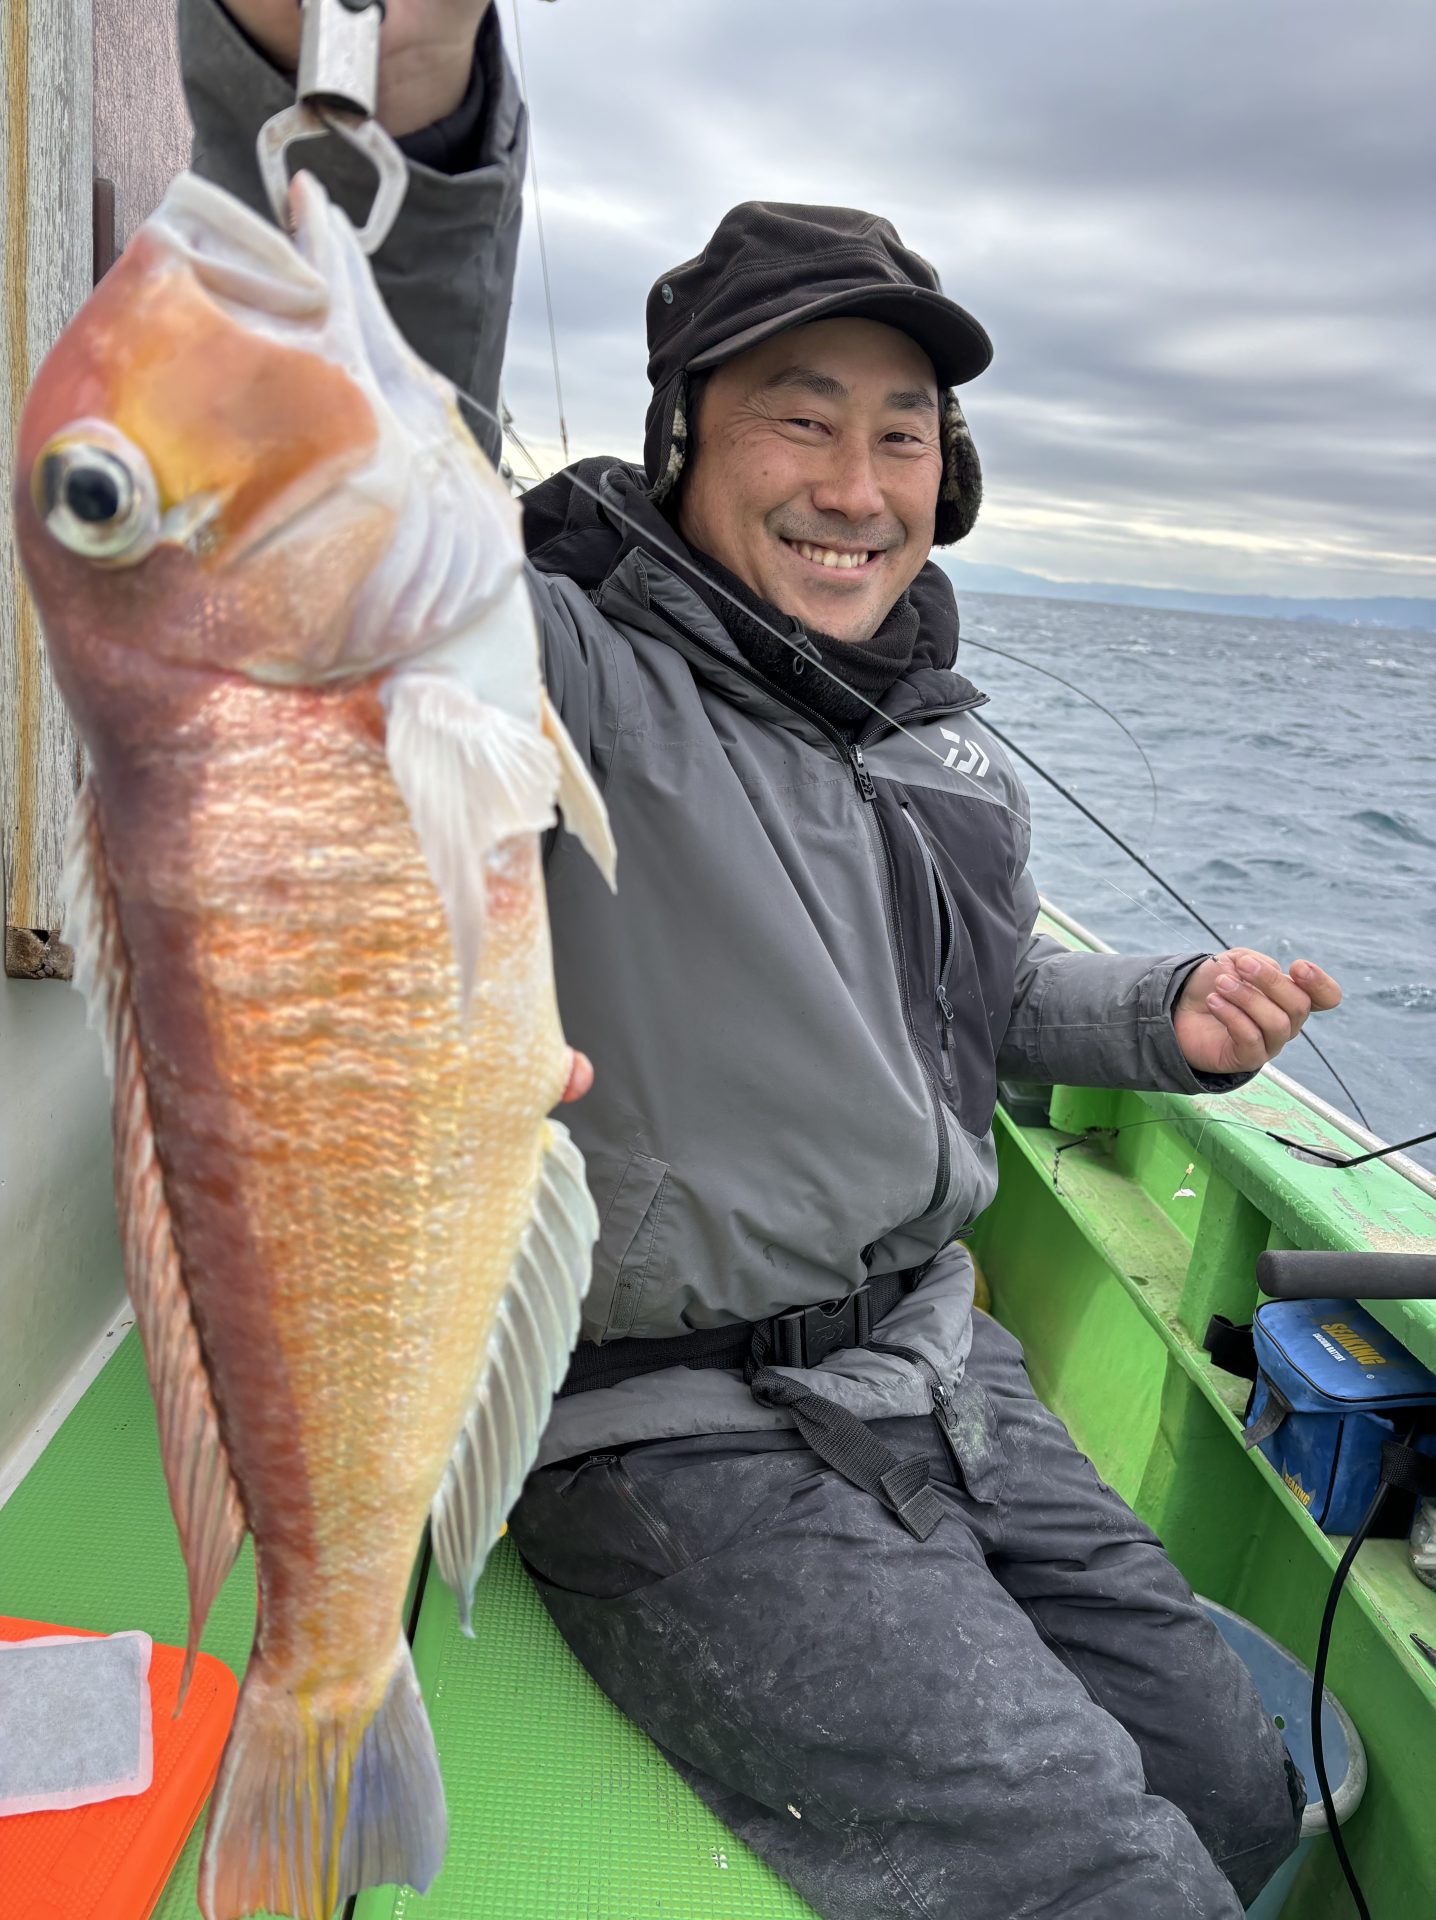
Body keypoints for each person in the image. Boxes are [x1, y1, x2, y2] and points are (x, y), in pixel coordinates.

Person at [182, 3, 1341, 1912]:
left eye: (903, 434)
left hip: (943, 1368)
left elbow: (960, 1005)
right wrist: (413, 116)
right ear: (681, 444)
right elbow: (357, 460)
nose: (857, 484)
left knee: (1239, 1791)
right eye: (800, 417)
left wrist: (1165, 1019)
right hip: (673, 1439)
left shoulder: (929, 741)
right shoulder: (554, 662)